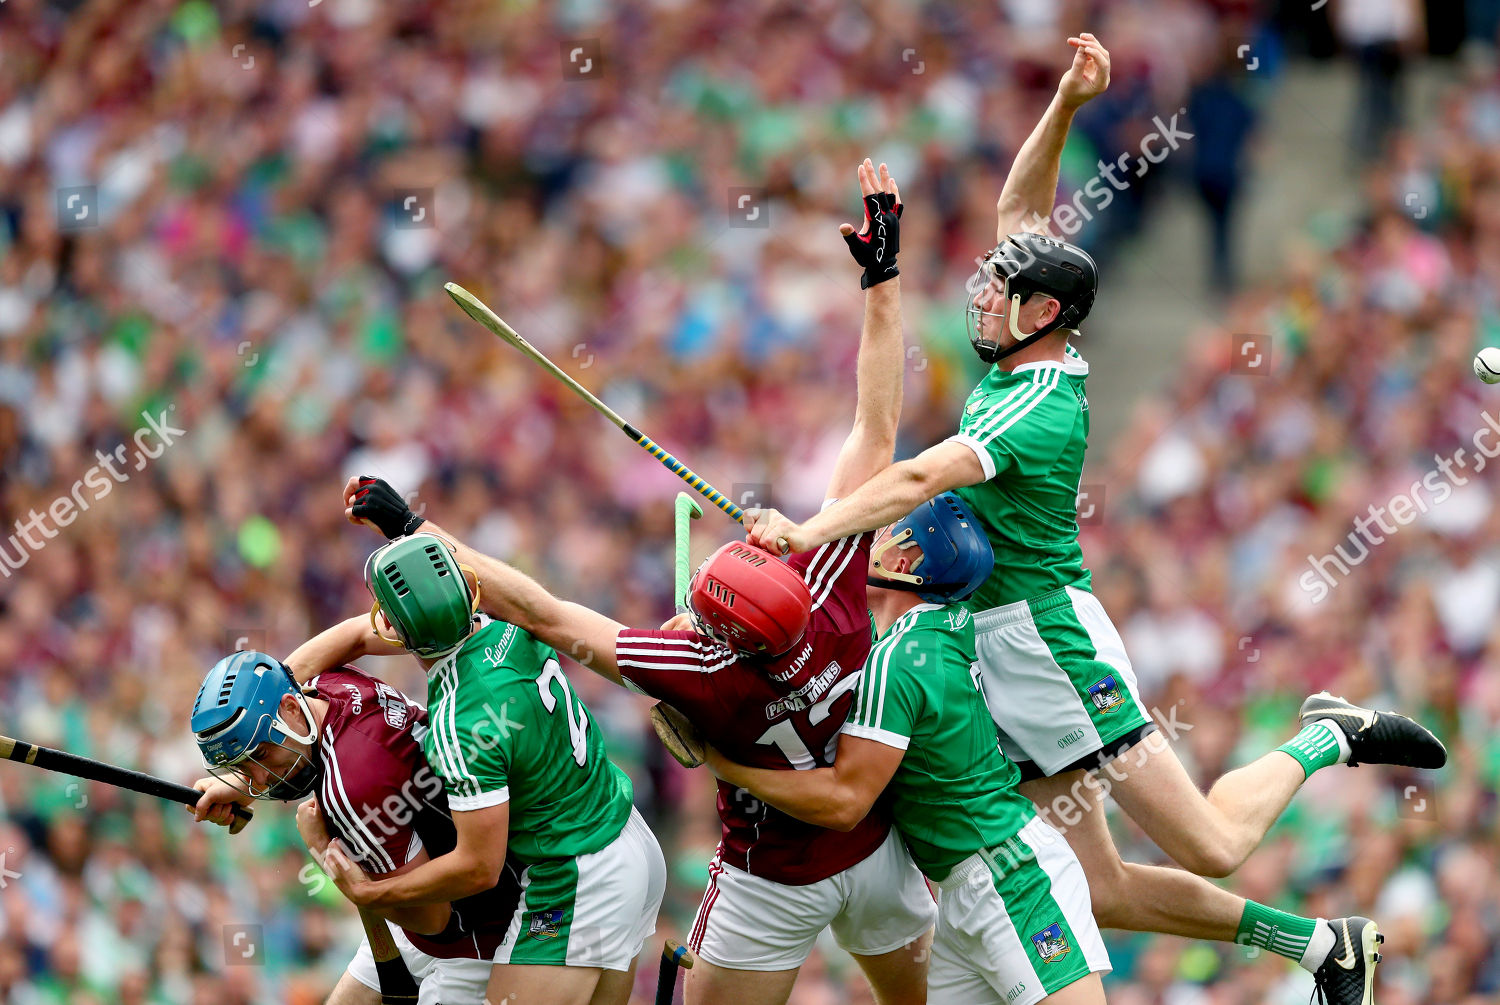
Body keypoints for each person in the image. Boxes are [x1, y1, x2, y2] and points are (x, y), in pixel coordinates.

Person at [739, 30, 1448, 1005]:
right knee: (1100, 889)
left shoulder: (1039, 405)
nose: (982, 301)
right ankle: (1323, 947)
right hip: (995, 649)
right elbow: (1019, 209)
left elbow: (915, 481)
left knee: (1216, 843)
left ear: (1044, 316)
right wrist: (1070, 100)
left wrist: (805, 535)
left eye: (1000, 294)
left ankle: (1325, 733)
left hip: (1048, 644)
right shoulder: (1026, 348)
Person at [341, 159, 936, 1005]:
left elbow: (540, 610)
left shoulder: (695, 667)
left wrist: (413, 534)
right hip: (877, 855)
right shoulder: (831, 574)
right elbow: (877, 423)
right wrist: (883, 276)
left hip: (769, 875)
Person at [707, 493, 1109, 1005]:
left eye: (887, 528)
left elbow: (844, 802)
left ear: (905, 561)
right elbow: (822, 633)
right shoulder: (935, 628)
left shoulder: (898, 659)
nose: (871, 535)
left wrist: (724, 762)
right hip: (966, 885)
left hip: (1008, 879)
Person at [283, 535, 666, 1005]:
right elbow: (358, 636)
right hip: (625, 835)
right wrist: (261, 720)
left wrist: (372, 893)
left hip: (574, 875)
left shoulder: (458, 725)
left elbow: (478, 867)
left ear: (393, 628)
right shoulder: (507, 621)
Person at [188, 640, 521, 1005]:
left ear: (290, 709)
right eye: (241, 765)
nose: (261, 778)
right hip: (426, 873)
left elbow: (431, 920)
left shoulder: (351, 787)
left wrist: (322, 851)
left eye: (262, 755)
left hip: (472, 931)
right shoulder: (330, 685)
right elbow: (360, 631)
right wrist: (241, 783)